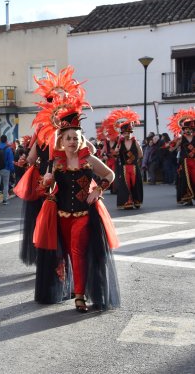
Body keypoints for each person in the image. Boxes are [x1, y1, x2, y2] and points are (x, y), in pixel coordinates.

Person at [34, 111, 121, 312]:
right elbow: (46, 190)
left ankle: (80, 296)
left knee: (78, 252)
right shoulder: (55, 163)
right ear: (61, 141)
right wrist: (46, 183)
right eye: (68, 138)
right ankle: (70, 288)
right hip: (59, 216)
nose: (72, 141)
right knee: (61, 255)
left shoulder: (88, 159)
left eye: (76, 138)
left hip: (84, 215)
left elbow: (110, 174)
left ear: (80, 140)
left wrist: (98, 190)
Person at [112, 118, 143, 209]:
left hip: (134, 167)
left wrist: (135, 160)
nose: (127, 134)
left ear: (131, 132)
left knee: (135, 184)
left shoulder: (135, 142)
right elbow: (115, 154)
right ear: (122, 133)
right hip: (124, 168)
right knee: (125, 185)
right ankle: (127, 202)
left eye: (129, 132)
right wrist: (117, 151)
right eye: (125, 133)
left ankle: (136, 201)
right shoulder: (120, 143)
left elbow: (141, 154)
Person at [169, 112, 195, 206]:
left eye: (189, 128)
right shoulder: (181, 139)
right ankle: (188, 199)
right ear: (183, 129)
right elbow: (171, 149)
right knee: (185, 180)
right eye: (185, 129)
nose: (187, 130)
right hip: (184, 162)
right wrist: (173, 143)